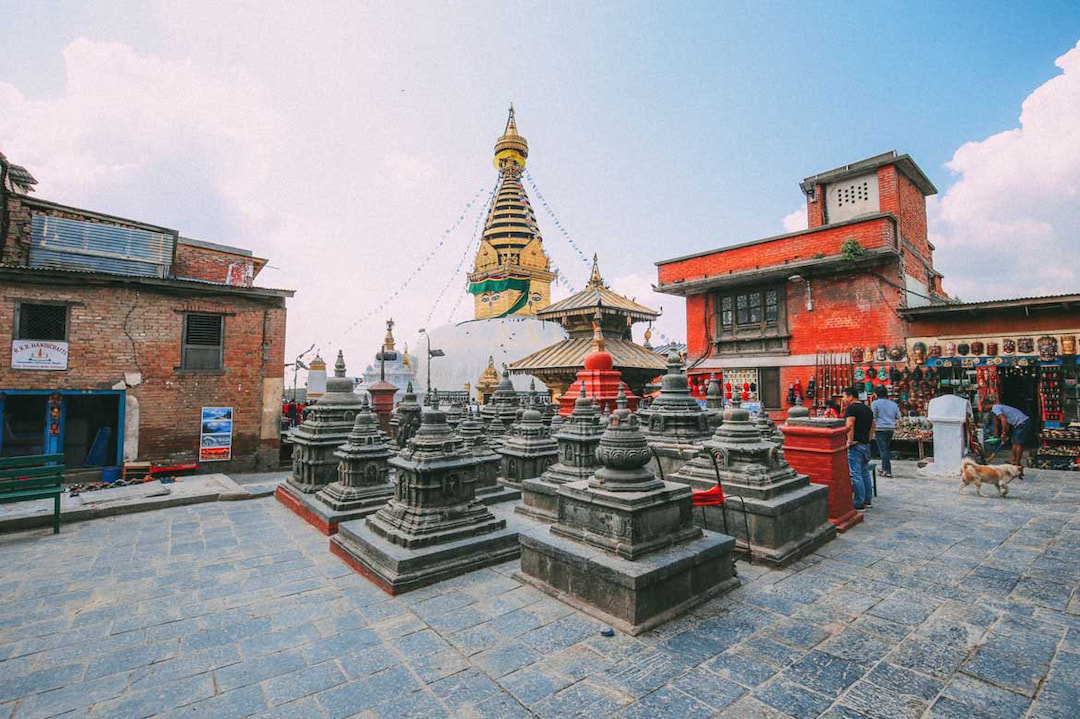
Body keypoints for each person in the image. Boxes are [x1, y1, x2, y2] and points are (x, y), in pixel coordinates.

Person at [843, 386, 875, 510]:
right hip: (865, 444)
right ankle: (867, 500)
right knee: (865, 473)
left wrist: (849, 441)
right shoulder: (867, 409)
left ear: (850, 396)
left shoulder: (852, 408)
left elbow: (850, 425)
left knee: (856, 474)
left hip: (856, 445)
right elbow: (873, 426)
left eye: (844, 396)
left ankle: (858, 502)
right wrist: (868, 439)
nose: (844, 399)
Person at [871, 386, 900, 477]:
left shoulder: (875, 403)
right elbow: (898, 416)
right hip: (890, 429)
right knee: (885, 449)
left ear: (876, 394)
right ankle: (884, 468)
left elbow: (873, 416)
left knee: (883, 450)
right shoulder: (893, 404)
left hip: (880, 428)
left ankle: (887, 470)